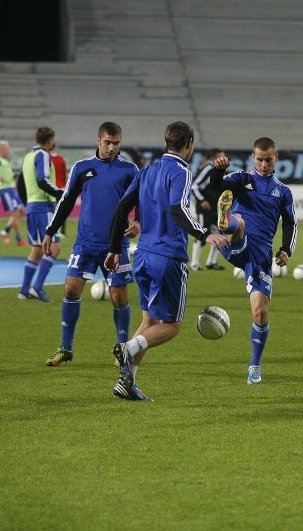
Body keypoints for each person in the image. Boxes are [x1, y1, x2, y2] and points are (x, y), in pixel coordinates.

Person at [104, 121, 229, 401]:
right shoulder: (181, 171)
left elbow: (122, 206)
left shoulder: (148, 171)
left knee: (149, 320)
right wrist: (204, 233)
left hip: (143, 255)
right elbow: (178, 209)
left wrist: (114, 246)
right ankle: (129, 347)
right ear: (189, 145)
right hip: (168, 257)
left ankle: (126, 383)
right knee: (172, 325)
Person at [41, 122, 140, 370]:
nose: (112, 148)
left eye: (116, 143)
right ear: (98, 140)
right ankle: (66, 348)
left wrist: (139, 220)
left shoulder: (129, 170)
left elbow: (143, 201)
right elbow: (66, 201)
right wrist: (51, 232)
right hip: (85, 243)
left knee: (119, 296)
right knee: (71, 290)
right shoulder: (83, 168)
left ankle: (122, 348)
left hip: (115, 245)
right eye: (108, 142)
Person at [209, 137, 298, 385]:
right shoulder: (242, 179)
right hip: (235, 243)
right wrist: (219, 170)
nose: (263, 164)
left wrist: (285, 250)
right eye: (259, 159)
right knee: (240, 223)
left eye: (268, 159)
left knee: (260, 313)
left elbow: (291, 224)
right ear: (253, 157)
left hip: (259, 255)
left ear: (276, 157)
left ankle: (254, 367)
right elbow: (216, 186)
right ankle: (226, 220)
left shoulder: (283, 192)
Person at [17, 126, 63, 303]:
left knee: (36, 250)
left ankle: (23, 290)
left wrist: (27, 202)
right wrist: (60, 193)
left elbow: (20, 183)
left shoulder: (28, 157)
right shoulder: (43, 155)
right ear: (50, 140)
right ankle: (37, 287)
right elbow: (42, 180)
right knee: (55, 248)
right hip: (43, 207)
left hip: (32, 207)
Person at [0, 140, 27, 247]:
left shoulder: (4, 161)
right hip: (5, 189)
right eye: (7, 149)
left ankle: (6, 231)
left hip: (11, 189)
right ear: (1, 149)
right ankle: (18, 239)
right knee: (15, 213)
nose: (8, 151)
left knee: (21, 211)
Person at [190, 148, 227, 271]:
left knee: (218, 234)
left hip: (214, 208)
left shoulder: (218, 170)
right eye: (221, 156)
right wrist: (202, 200)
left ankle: (211, 262)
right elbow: (194, 185)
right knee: (202, 232)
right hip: (204, 208)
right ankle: (194, 263)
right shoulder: (208, 168)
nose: (223, 159)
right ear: (214, 158)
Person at [49, 143, 68, 238]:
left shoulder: (47, 158)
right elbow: (64, 174)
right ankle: (63, 232)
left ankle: (52, 230)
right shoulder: (61, 159)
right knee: (62, 210)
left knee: (52, 210)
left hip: (51, 188)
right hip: (62, 187)